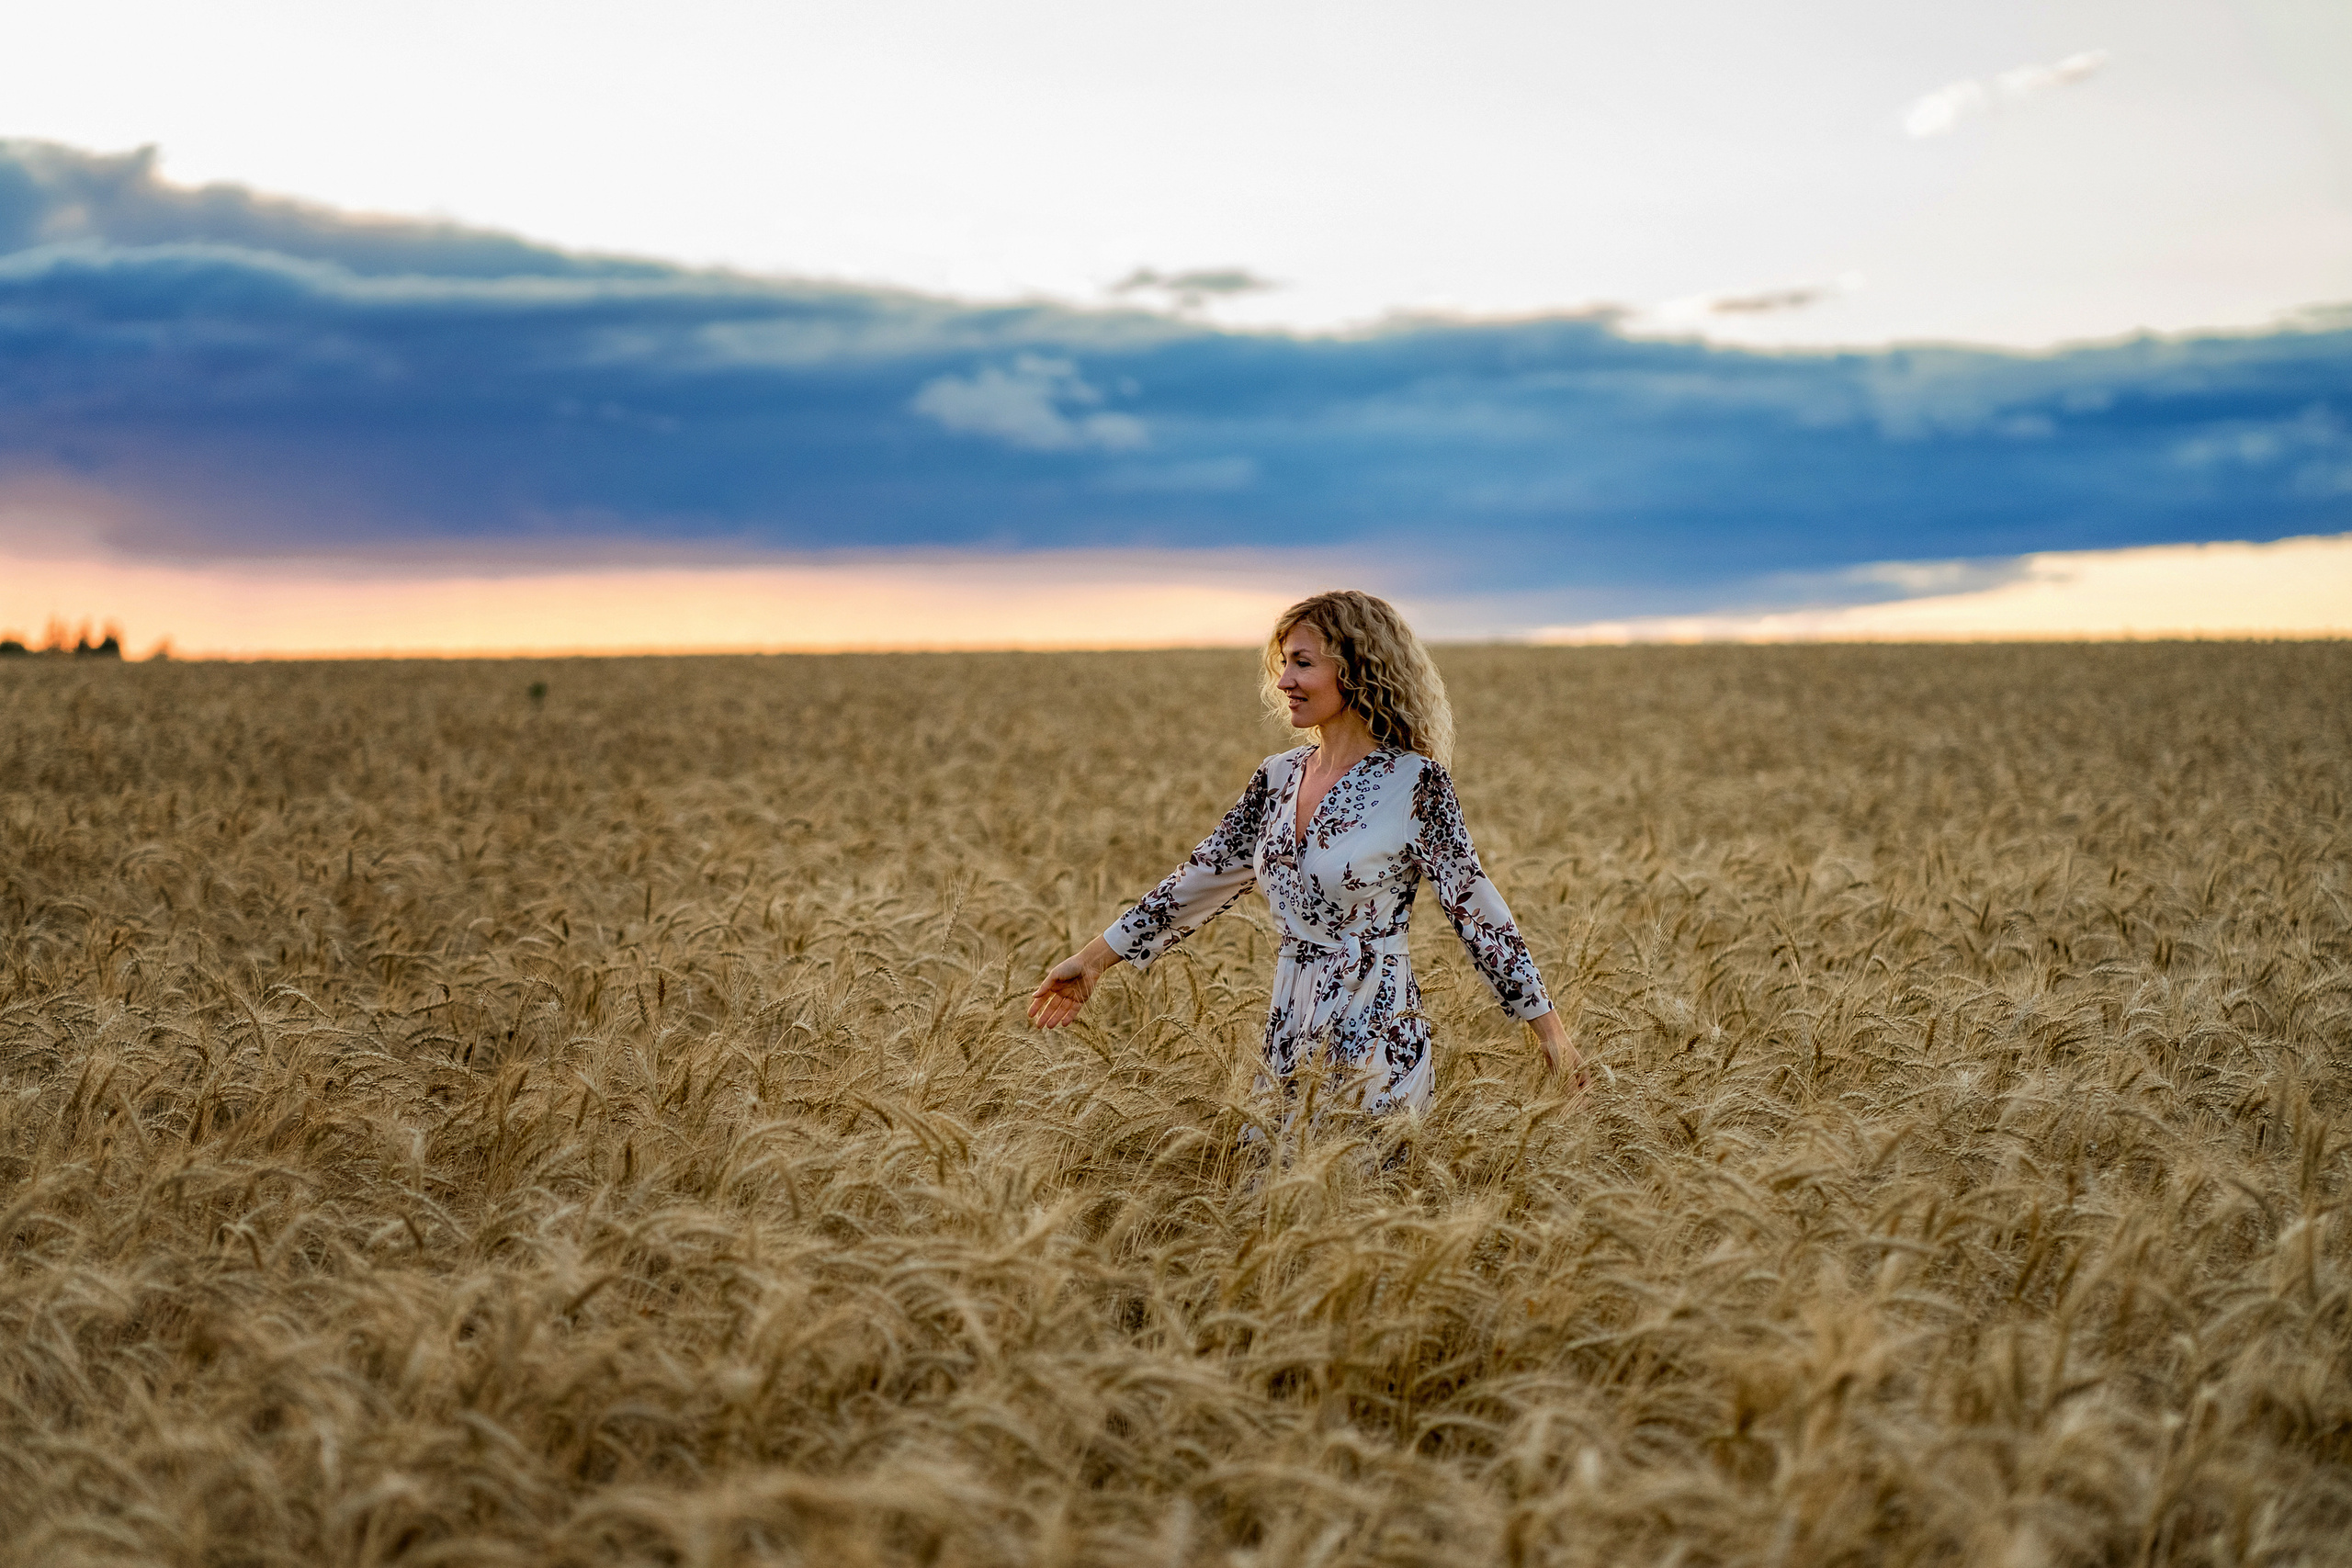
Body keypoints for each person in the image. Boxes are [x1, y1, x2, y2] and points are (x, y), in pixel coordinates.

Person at [1027, 589, 1582, 1119]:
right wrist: (1092, 961)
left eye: (1303, 663)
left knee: (1366, 1178)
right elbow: (1197, 880)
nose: (1284, 681)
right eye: (1284, 663)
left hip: (1376, 1038)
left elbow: (1477, 909)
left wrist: (1551, 1035)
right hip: (1288, 1032)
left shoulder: (1415, 783)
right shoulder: (1278, 777)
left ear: (1357, 670)